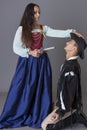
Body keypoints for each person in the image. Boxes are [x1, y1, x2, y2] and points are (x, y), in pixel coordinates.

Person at [0, 3, 83, 129]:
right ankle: (19, 112)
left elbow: (57, 32)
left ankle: (38, 112)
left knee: (40, 88)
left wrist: (72, 32)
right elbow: (16, 48)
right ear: (29, 14)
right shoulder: (22, 29)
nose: (38, 15)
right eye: (35, 12)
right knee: (24, 88)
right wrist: (30, 52)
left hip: (41, 62)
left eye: (39, 12)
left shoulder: (42, 28)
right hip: (28, 63)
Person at [41, 33, 87, 130]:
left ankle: (75, 116)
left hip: (68, 106)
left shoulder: (71, 68)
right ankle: (73, 112)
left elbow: (68, 93)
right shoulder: (70, 62)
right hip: (63, 101)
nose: (67, 42)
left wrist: (60, 112)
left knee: (45, 126)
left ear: (74, 49)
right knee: (42, 107)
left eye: (70, 42)